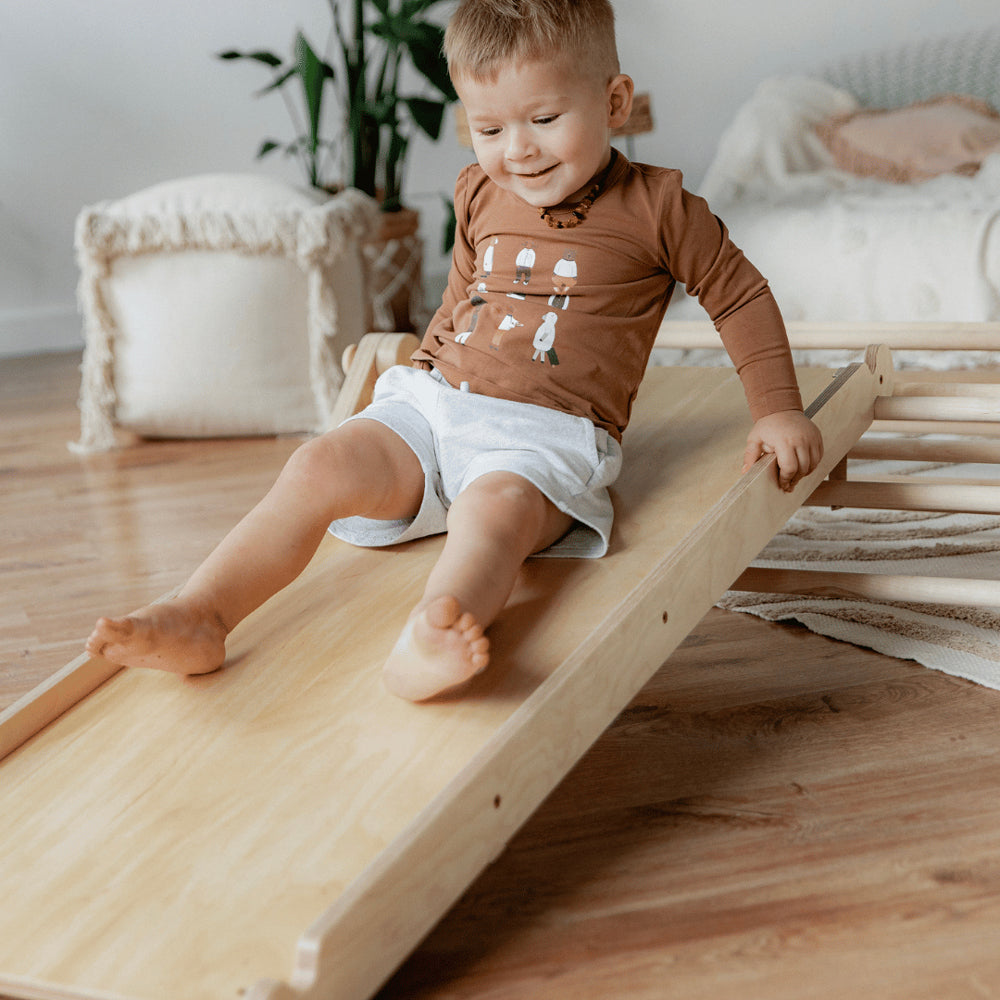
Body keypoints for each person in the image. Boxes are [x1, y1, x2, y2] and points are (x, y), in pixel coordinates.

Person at [86, 0, 823, 702]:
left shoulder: (661, 209)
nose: (518, 149)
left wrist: (777, 409)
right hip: (435, 403)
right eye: (489, 128)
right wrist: (418, 384)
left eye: (544, 119)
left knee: (491, 513)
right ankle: (202, 613)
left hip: (543, 436)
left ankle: (436, 628)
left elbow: (740, 297)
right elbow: (463, 296)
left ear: (614, 101)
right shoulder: (478, 192)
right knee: (319, 464)